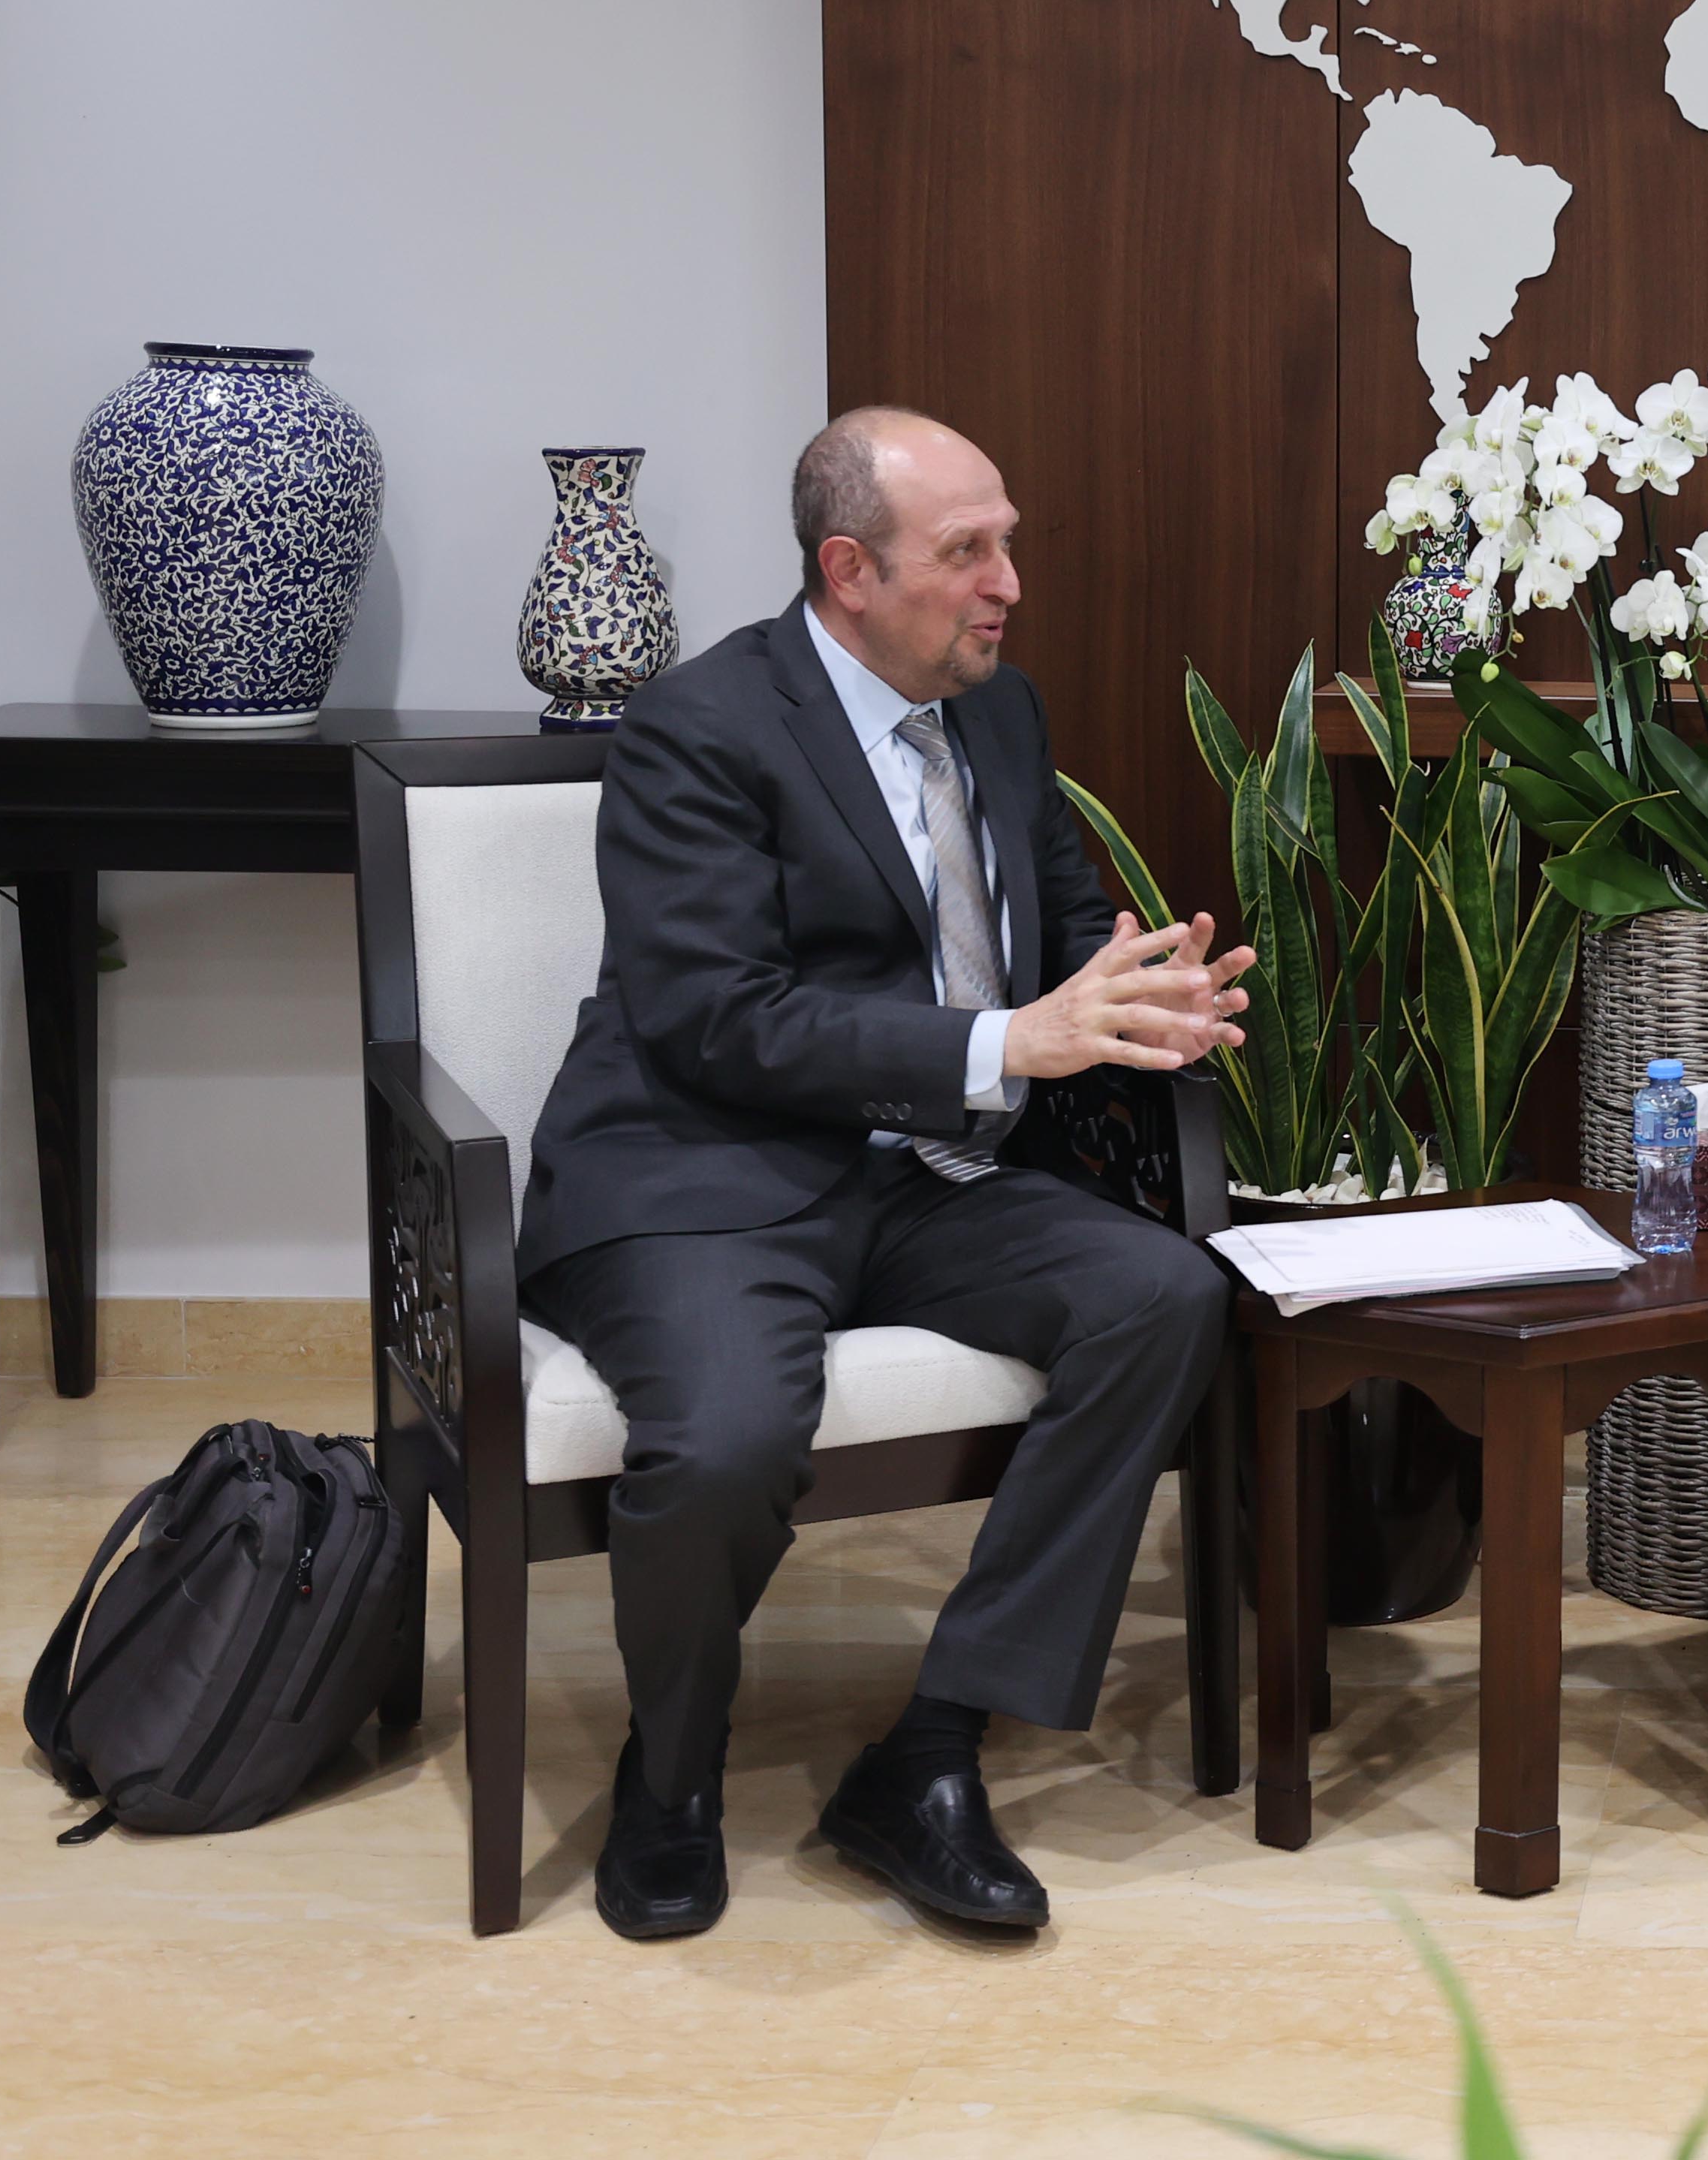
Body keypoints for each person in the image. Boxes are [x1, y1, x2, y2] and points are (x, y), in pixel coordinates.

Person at [515, 405, 1254, 1942]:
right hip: (706, 1173)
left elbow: (1060, 926)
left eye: (1009, 544)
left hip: (924, 1174)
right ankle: (673, 1778)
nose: (1008, 584)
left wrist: (1140, 995)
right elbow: (715, 1015)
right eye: (967, 552)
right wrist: (1004, 1041)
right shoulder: (698, 727)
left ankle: (930, 1750)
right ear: (850, 570)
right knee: (726, 1437)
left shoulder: (999, 711)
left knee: (1164, 1295)